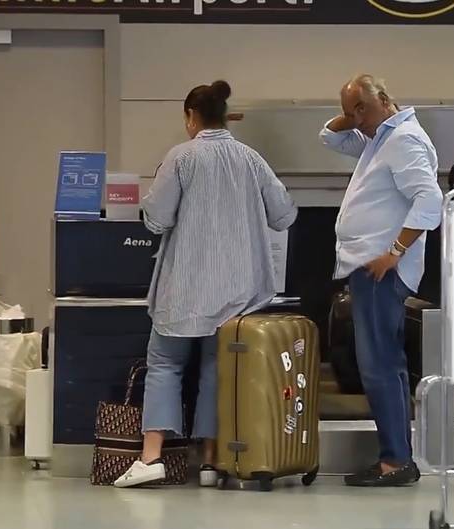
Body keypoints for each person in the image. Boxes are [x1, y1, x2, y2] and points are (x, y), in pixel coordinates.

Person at [114, 80, 297, 488]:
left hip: (186, 288)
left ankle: (151, 458)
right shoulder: (251, 159)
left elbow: (158, 218)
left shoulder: (182, 157)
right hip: (239, 294)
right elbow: (284, 215)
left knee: (165, 365)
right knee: (218, 370)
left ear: (191, 117)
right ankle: (213, 462)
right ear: (224, 115)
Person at [320, 74, 442, 487]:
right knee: (382, 365)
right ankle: (396, 457)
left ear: (386, 99)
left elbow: (430, 200)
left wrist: (394, 251)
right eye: (351, 110)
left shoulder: (402, 139)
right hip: (368, 267)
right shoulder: (377, 137)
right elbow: (330, 139)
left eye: (363, 108)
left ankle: (396, 461)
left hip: (380, 269)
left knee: (381, 366)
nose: (357, 118)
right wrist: (352, 115)